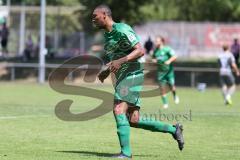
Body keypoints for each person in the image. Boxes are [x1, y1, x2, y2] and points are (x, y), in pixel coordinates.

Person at [92, 5, 184, 159]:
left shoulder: (122, 29)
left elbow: (140, 50)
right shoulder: (107, 36)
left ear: (104, 15)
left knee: (118, 109)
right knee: (133, 120)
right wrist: (107, 71)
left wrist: (120, 61)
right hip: (122, 76)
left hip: (133, 74)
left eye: (95, 16)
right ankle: (174, 130)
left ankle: (126, 154)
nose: (92, 19)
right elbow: (116, 59)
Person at [152, 36, 179, 109]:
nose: (156, 42)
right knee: (162, 88)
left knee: (172, 86)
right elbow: (153, 59)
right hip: (160, 72)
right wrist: (154, 61)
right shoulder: (155, 51)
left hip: (169, 72)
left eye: (157, 41)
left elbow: (175, 56)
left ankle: (175, 95)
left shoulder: (167, 49)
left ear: (161, 41)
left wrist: (169, 61)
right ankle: (165, 103)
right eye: (155, 41)